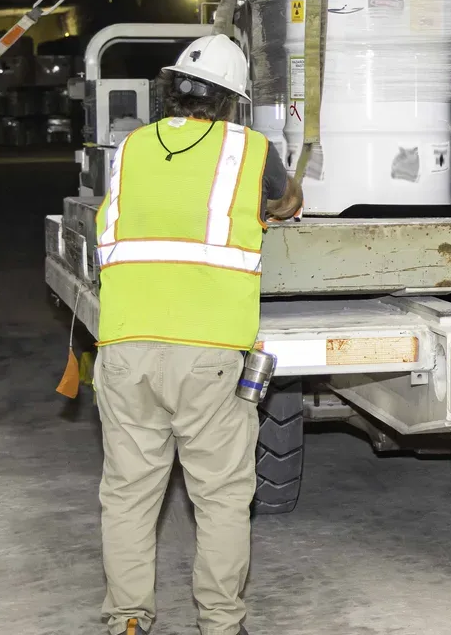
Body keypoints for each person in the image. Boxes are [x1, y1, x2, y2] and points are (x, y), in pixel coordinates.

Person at [93, 34, 302, 635]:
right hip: (208, 352)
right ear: (232, 100)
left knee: (129, 495)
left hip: (125, 346)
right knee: (221, 498)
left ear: (171, 91)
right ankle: (220, 623)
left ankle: (128, 620)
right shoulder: (250, 148)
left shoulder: (131, 146)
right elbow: (287, 203)